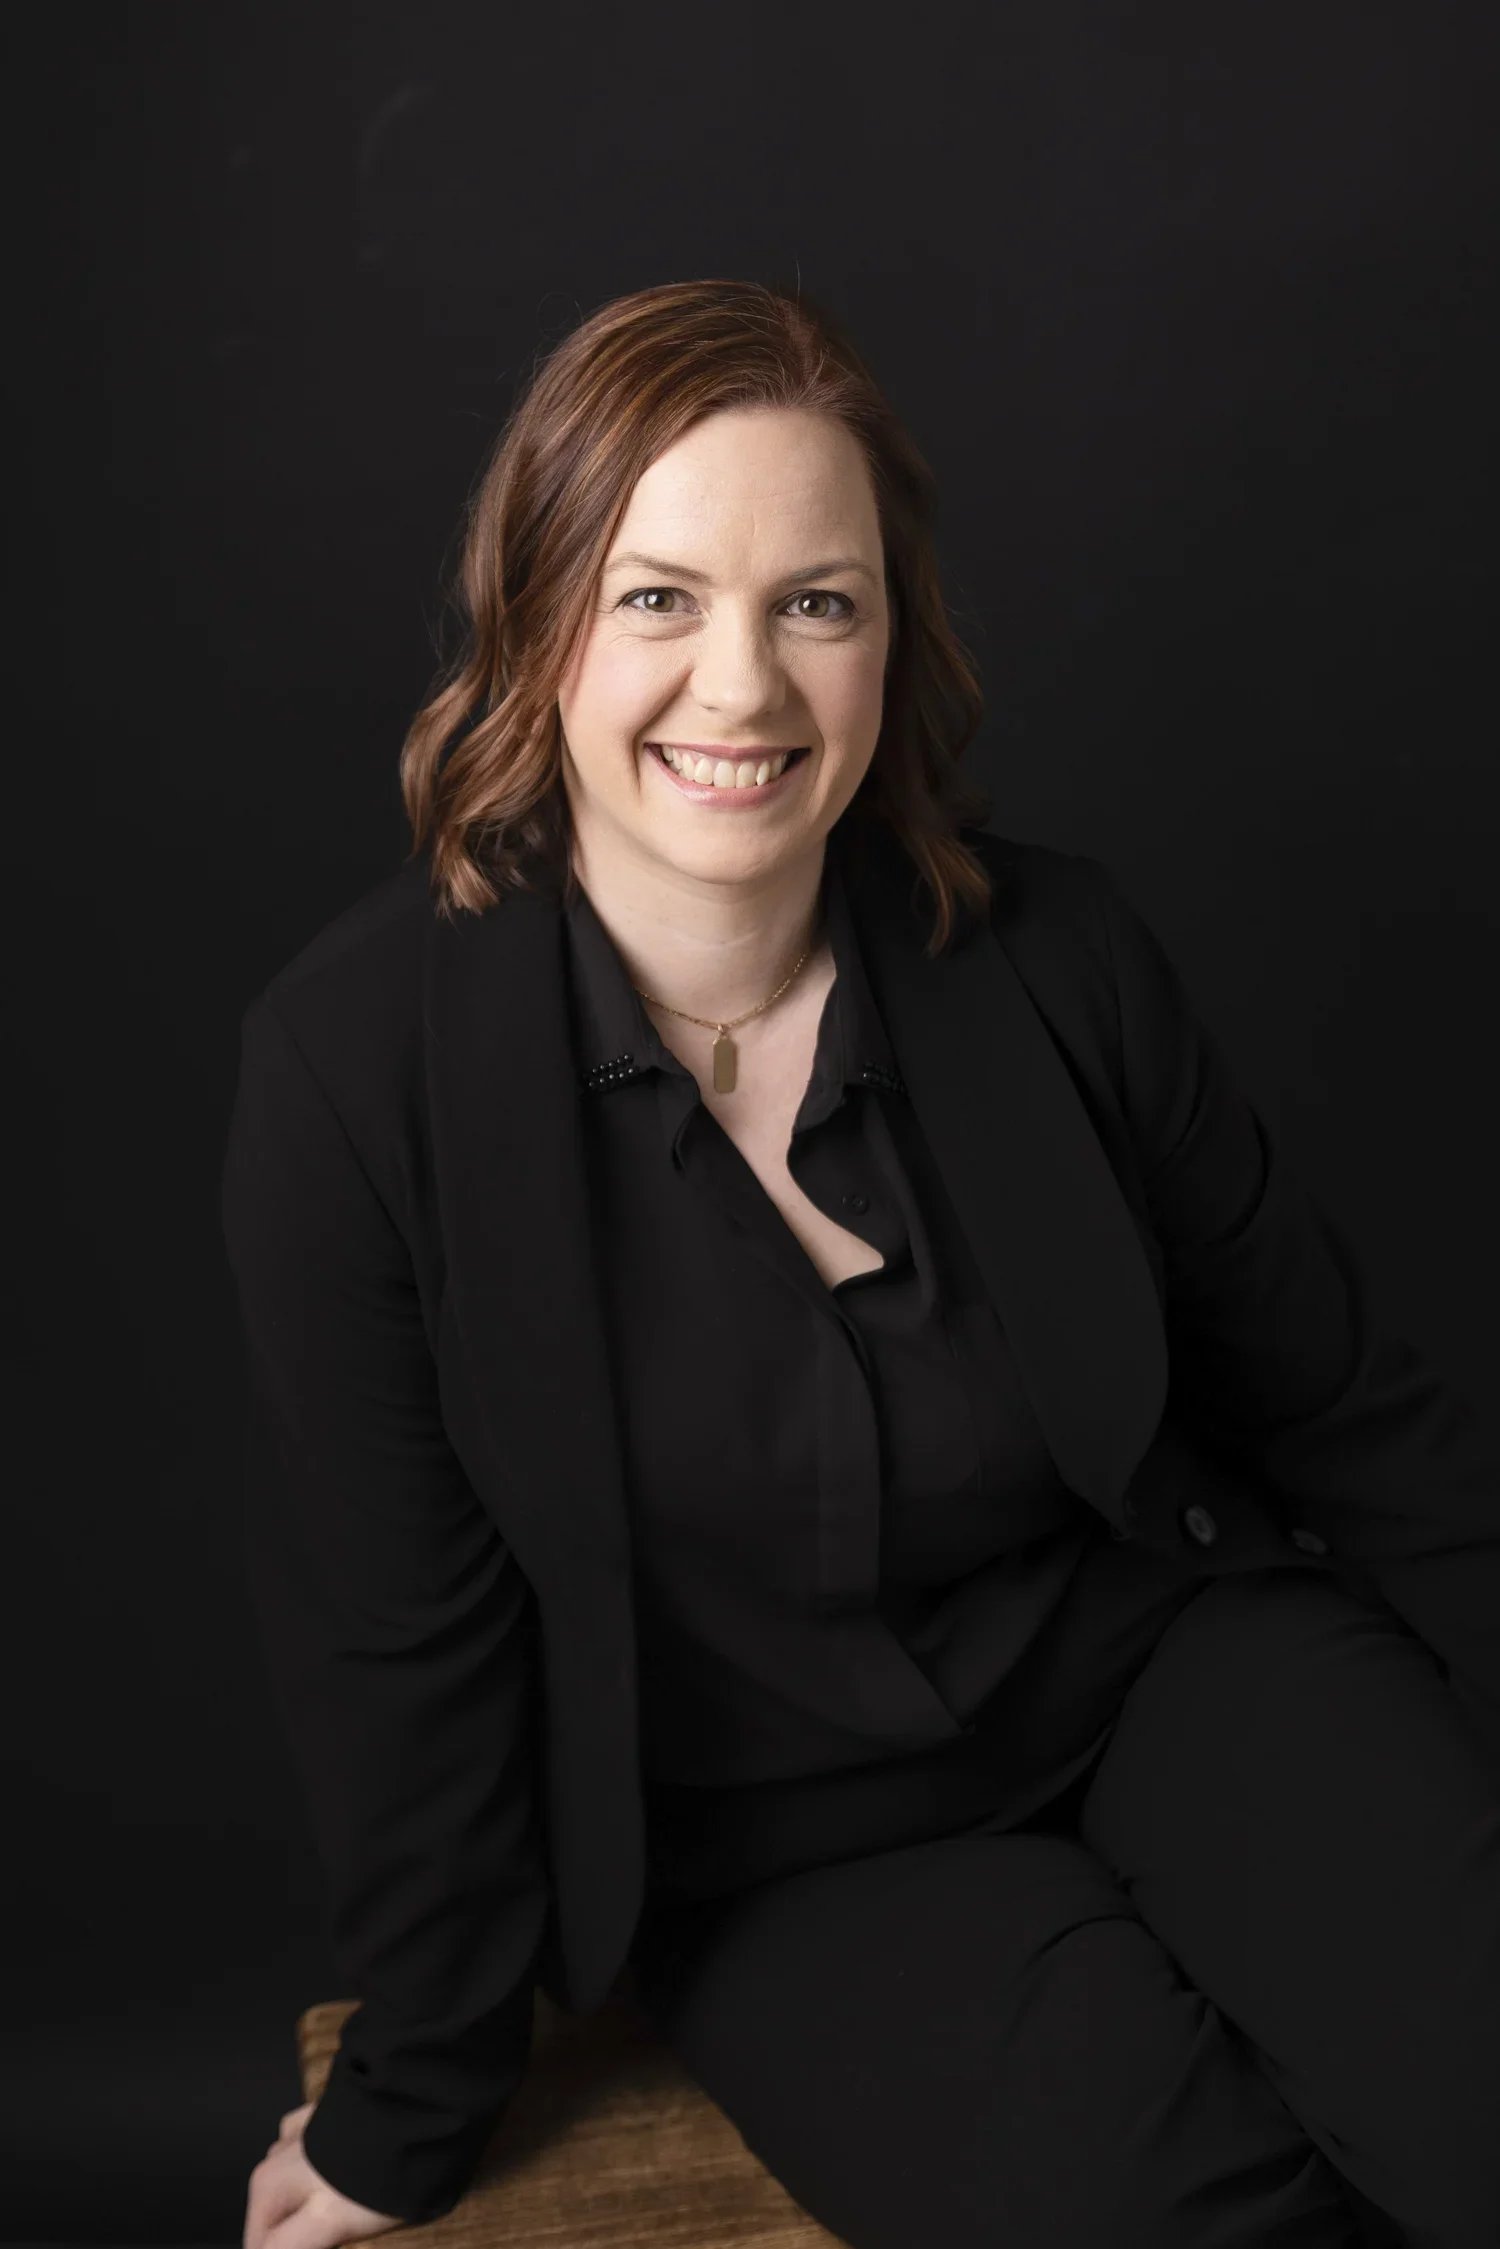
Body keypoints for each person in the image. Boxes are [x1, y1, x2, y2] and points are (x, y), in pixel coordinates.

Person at [224, 278, 1500, 2249]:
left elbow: (1349, 1417)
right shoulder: (351, 1078)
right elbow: (407, 1658)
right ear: (538, 619)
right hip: (791, 1856)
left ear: (891, 644)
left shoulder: (1060, 959)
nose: (740, 685)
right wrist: (411, 2105)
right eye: (658, 597)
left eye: (815, 601)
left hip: (1166, 1666)